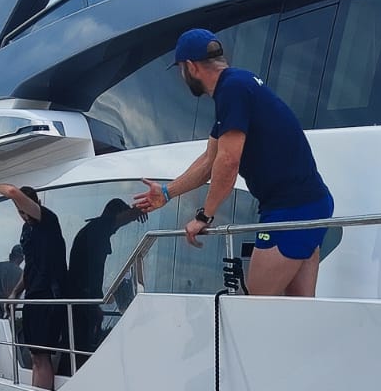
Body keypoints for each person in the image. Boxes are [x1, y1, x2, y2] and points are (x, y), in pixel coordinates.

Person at [132, 28, 335, 298]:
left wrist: (205, 216)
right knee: (296, 311)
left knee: (252, 308)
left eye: (181, 70)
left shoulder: (232, 90)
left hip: (292, 210)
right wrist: (168, 192)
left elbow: (228, 162)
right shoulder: (238, 85)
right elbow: (209, 160)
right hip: (307, 204)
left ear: (191, 67)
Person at [0, 184, 68, 389]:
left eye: (25, 210)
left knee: (41, 355)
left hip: (48, 296)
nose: (24, 216)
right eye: (20, 212)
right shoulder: (27, 229)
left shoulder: (47, 219)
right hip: (33, 295)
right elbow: (31, 267)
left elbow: (12, 193)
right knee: (34, 354)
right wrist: (15, 293)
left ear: (36, 204)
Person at [67, 198, 144, 363]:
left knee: (78, 348)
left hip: (80, 297)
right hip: (82, 297)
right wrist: (141, 210)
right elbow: (119, 219)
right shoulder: (99, 228)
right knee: (81, 348)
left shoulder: (92, 230)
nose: (116, 230)